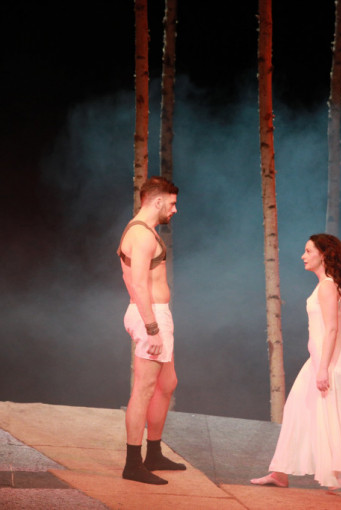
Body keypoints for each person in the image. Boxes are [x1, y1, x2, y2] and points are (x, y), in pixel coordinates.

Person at [251, 233, 341, 497]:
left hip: (328, 362)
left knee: (340, 418)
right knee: (297, 409)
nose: (303, 256)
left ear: (324, 255)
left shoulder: (327, 286)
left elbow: (332, 330)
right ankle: (280, 472)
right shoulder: (326, 285)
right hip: (320, 360)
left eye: (308, 251)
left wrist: (323, 369)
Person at [118, 176, 185, 485]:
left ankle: (154, 453)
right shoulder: (142, 234)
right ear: (157, 201)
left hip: (156, 314)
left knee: (167, 383)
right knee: (144, 389)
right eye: (171, 203)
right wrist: (152, 328)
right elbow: (139, 285)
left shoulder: (145, 231)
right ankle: (133, 464)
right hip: (150, 316)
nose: (174, 209)